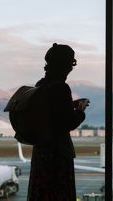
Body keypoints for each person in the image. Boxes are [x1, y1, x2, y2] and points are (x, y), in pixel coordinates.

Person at [27, 43, 88, 201]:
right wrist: (80, 111)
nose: (70, 69)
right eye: (70, 65)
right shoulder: (61, 88)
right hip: (57, 154)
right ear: (65, 65)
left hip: (41, 151)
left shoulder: (41, 85)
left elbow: (51, 113)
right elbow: (68, 123)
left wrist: (70, 105)